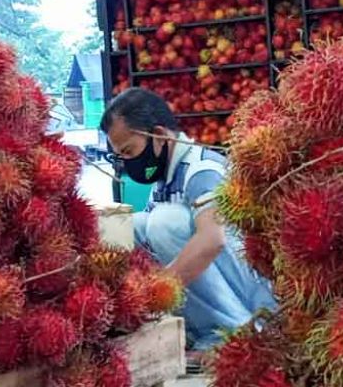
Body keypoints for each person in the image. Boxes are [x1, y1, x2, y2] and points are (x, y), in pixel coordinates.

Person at [100, 88, 278, 357]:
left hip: (252, 300)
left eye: (129, 151)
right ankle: (196, 328)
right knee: (129, 227)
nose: (126, 163)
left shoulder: (201, 170)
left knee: (164, 222)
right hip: (222, 286)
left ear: (158, 136)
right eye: (120, 156)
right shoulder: (166, 176)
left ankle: (231, 331)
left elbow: (212, 240)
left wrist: (157, 289)